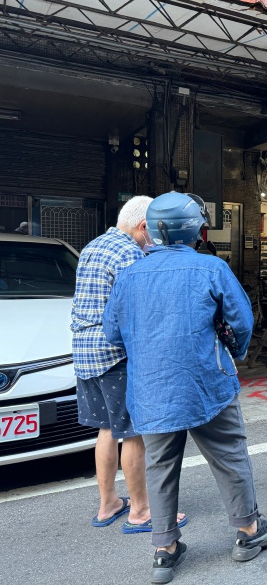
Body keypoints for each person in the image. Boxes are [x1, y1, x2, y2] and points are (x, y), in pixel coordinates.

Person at [104, 192, 267, 584]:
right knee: (230, 454)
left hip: (151, 390)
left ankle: (164, 550)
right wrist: (232, 349)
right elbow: (242, 322)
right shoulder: (211, 268)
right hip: (207, 384)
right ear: (196, 231)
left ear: (154, 230)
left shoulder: (129, 274)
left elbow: (113, 332)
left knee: (161, 466)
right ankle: (248, 532)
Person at [71, 196, 184, 533]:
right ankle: (141, 510)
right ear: (144, 226)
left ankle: (108, 504)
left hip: (84, 350)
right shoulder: (129, 254)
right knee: (134, 433)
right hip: (113, 353)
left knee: (107, 429)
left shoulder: (94, 245)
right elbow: (139, 309)